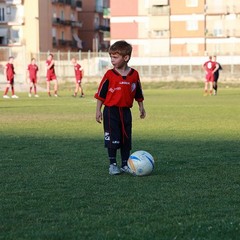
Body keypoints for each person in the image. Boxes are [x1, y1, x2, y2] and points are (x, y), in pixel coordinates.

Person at [94, 40, 146, 175]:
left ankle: (125, 165)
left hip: (126, 112)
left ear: (126, 57)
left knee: (126, 139)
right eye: (111, 57)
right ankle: (112, 165)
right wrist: (98, 110)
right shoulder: (109, 75)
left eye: (115, 57)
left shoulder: (134, 74)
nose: (112, 60)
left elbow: (138, 91)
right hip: (111, 112)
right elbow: (101, 93)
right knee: (112, 139)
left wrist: (141, 106)